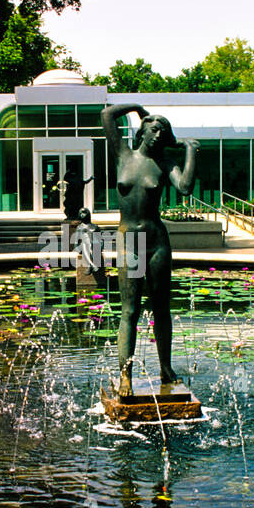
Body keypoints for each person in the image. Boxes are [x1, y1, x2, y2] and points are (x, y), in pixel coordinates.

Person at [101, 102, 198, 393]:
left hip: (156, 242)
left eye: (163, 132)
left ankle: (166, 370)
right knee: (130, 311)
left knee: (161, 310)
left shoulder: (165, 164)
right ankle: (125, 375)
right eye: (154, 129)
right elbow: (106, 115)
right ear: (142, 131)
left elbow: (184, 188)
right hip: (130, 239)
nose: (158, 135)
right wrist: (137, 107)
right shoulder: (123, 154)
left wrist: (190, 150)